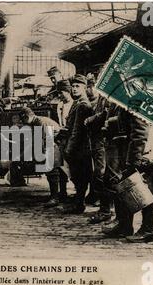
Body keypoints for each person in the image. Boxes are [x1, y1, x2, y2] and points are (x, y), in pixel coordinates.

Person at [101, 103, 153, 243]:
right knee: (125, 188)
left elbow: (140, 132)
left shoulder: (137, 101)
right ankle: (124, 226)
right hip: (131, 150)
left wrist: (133, 162)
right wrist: (114, 122)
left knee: (143, 191)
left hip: (140, 153)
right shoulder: (129, 99)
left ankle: (148, 229)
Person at [20, 107, 64, 207]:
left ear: (26, 117)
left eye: (23, 120)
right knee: (58, 171)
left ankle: (55, 198)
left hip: (55, 144)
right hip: (55, 143)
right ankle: (60, 195)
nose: (24, 123)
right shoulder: (36, 121)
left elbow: (44, 140)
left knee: (52, 171)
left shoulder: (40, 122)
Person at [84, 73, 113, 223]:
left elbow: (105, 114)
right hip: (99, 139)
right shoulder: (103, 95)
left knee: (102, 173)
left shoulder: (108, 95)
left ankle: (106, 209)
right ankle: (105, 207)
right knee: (101, 173)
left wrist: (91, 119)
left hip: (104, 140)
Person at [63, 75, 93, 214]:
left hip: (80, 147)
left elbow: (77, 130)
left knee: (80, 176)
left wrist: (69, 149)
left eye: (77, 87)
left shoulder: (83, 104)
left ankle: (79, 204)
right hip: (78, 146)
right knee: (78, 175)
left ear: (85, 88)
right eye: (73, 86)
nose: (74, 89)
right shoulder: (77, 103)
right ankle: (78, 202)